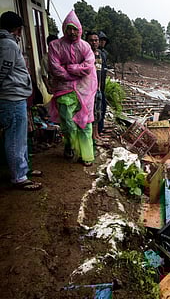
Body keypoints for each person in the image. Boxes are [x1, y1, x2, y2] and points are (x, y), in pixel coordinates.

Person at [48, 10, 97, 166]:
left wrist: (70, 68)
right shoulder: (55, 46)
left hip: (85, 91)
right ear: (64, 29)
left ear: (80, 30)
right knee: (68, 124)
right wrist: (75, 73)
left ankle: (86, 156)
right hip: (64, 90)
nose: (72, 32)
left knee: (85, 123)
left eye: (75, 29)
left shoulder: (85, 46)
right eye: (69, 28)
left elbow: (88, 67)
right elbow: (55, 69)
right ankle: (70, 146)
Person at [0, 11, 42, 190]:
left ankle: (23, 169)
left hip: (15, 97)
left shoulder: (6, 43)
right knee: (15, 138)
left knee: (20, 136)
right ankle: (19, 177)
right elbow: (3, 70)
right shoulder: (8, 44)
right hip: (12, 97)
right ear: (17, 30)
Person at [85, 31, 106, 143]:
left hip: (98, 89)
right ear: (87, 41)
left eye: (96, 40)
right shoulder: (86, 54)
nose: (94, 42)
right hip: (89, 90)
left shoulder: (100, 54)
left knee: (98, 112)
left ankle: (97, 133)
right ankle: (92, 135)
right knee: (91, 113)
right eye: (91, 40)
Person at [97, 31, 109, 134]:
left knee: (103, 107)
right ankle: (98, 130)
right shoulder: (96, 53)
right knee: (98, 108)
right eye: (101, 40)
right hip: (97, 86)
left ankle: (101, 128)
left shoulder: (104, 53)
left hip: (102, 86)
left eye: (104, 40)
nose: (102, 42)